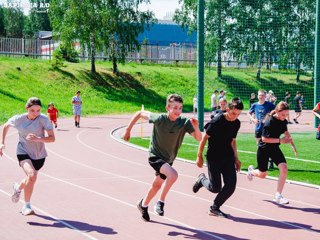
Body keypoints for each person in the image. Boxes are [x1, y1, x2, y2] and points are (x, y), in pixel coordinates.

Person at [123, 94, 201, 222]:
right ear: (167, 108)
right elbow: (139, 113)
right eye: (175, 108)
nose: (178, 111)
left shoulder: (184, 123)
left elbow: (198, 138)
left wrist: (197, 127)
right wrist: (128, 130)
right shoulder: (159, 118)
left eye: (180, 108)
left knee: (157, 185)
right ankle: (160, 202)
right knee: (173, 175)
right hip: (155, 156)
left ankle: (143, 205)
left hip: (168, 159)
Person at [0, 97, 55, 215]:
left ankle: (18, 188)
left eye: (38, 110)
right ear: (27, 108)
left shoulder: (44, 119)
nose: (35, 113)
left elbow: (52, 139)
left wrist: (37, 139)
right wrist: (2, 143)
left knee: (31, 178)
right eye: (32, 110)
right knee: (32, 175)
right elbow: (5, 126)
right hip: (23, 150)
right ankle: (27, 206)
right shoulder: (19, 119)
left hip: (39, 154)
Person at [192, 97, 243, 218]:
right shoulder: (217, 121)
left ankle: (215, 208)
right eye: (234, 113)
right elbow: (204, 138)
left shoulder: (236, 123)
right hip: (214, 157)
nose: (235, 116)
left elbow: (233, 141)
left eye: (238, 114)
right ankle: (201, 180)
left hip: (228, 157)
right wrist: (199, 156)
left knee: (231, 185)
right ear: (228, 109)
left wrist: (236, 158)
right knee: (215, 188)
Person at [247, 101, 297, 205]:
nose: (285, 116)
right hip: (264, 148)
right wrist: (280, 141)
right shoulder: (269, 121)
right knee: (262, 175)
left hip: (274, 148)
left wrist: (292, 145)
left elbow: (286, 133)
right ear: (278, 111)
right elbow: (264, 139)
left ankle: (278, 195)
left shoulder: (283, 121)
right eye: (283, 114)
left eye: (287, 114)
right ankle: (251, 171)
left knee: (284, 168)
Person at [247, 89, 275, 169]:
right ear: (257, 96)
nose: (261, 97)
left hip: (267, 129)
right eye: (259, 95)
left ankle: (270, 161)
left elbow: (276, 110)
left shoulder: (269, 104)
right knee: (259, 146)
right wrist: (253, 119)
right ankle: (260, 164)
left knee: (268, 145)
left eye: (262, 95)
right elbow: (248, 113)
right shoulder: (255, 105)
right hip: (258, 128)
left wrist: (269, 115)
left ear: (265, 96)